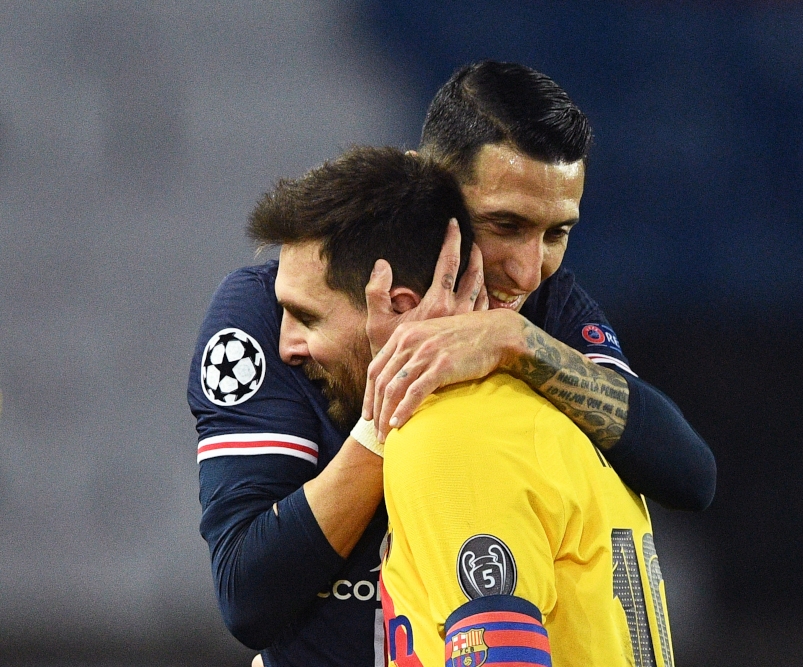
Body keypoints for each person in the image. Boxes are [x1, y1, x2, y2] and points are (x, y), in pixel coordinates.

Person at [189, 61, 714, 667]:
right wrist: (387, 415)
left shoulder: (538, 310)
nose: (526, 269)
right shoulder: (282, 311)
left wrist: (518, 344)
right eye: (505, 225)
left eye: (556, 233)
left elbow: (688, 474)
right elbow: (246, 598)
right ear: (435, 191)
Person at [255, 145, 675, 666]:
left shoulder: (453, 438)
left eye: (306, 317)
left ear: (397, 305)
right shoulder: (553, 417)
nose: (284, 346)